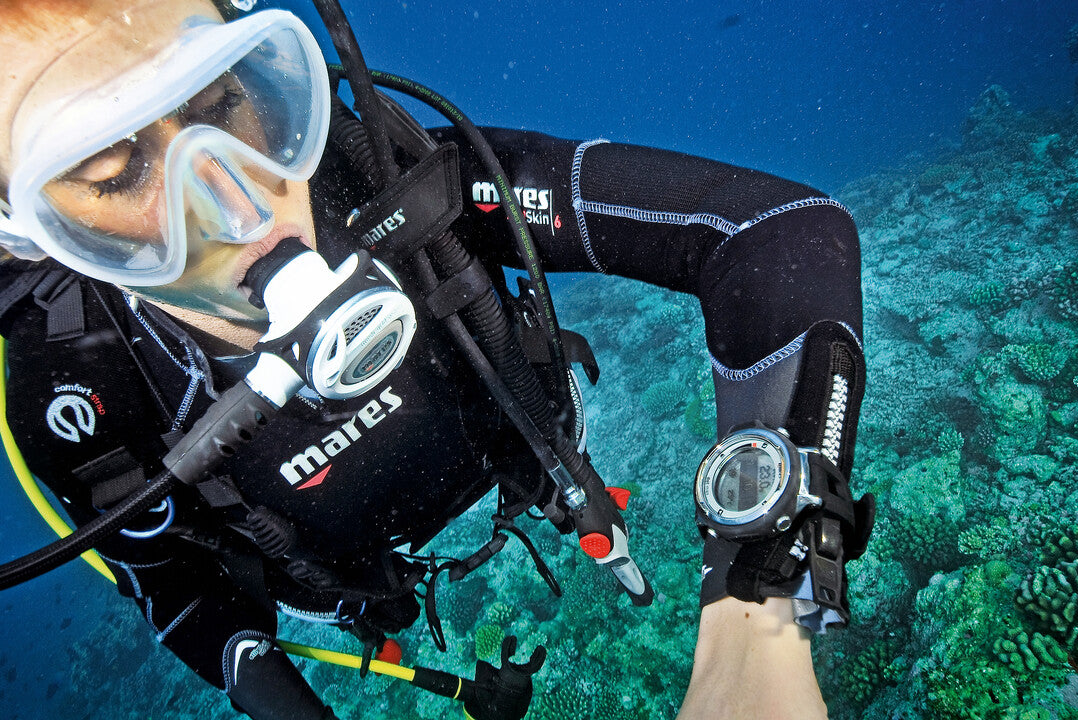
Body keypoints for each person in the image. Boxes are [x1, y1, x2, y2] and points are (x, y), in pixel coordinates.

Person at [0, 1, 872, 718]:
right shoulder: (72, 392)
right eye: (111, 172)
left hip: (527, 468)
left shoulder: (393, 172)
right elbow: (179, 592)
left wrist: (759, 603)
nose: (240, 208)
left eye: (224, 100)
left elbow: (776, 234)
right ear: (27, 234)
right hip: (361, 583)